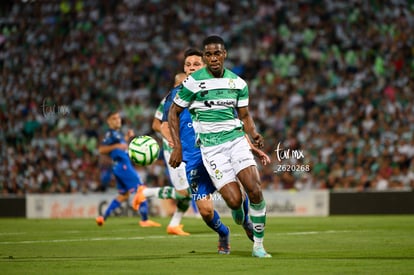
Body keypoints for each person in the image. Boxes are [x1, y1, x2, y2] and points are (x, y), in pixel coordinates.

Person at [168, 36, 272, 258]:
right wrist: (177, 146)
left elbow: (244, 115)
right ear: (205, 57)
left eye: (217, 53)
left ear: (224, 54)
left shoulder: (238, 83)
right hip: (211, 149)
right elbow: (172, 113)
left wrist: (253, 135)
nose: (213, 58)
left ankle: (259, 246)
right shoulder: (192, 83)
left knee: (254, 188)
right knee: (233, 200)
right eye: (209, 54)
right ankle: (236, 213)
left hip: (235, 141)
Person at [132, 72, 192, 236]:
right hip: (173, 148)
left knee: (190, 189)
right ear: (176, 84)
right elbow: (156, 125)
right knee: (185, 192)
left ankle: (174, 224)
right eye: (184, 82)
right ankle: (144, 193)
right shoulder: (169, 99)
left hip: (187, 147)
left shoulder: (190, 96)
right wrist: (173, 140)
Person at [95, 111, 161, 228]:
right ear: (108, 121)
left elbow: (121, 147)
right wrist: (117, 146)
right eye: (114, 118)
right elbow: (101, 150)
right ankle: (145, 220)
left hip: (118, 167)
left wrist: (126, 138)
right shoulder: (110, 134)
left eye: (119, 118)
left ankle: (102, 217)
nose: (118, 120)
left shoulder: (117, 135)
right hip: (123, 166)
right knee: (141, 188)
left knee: (124, 195)